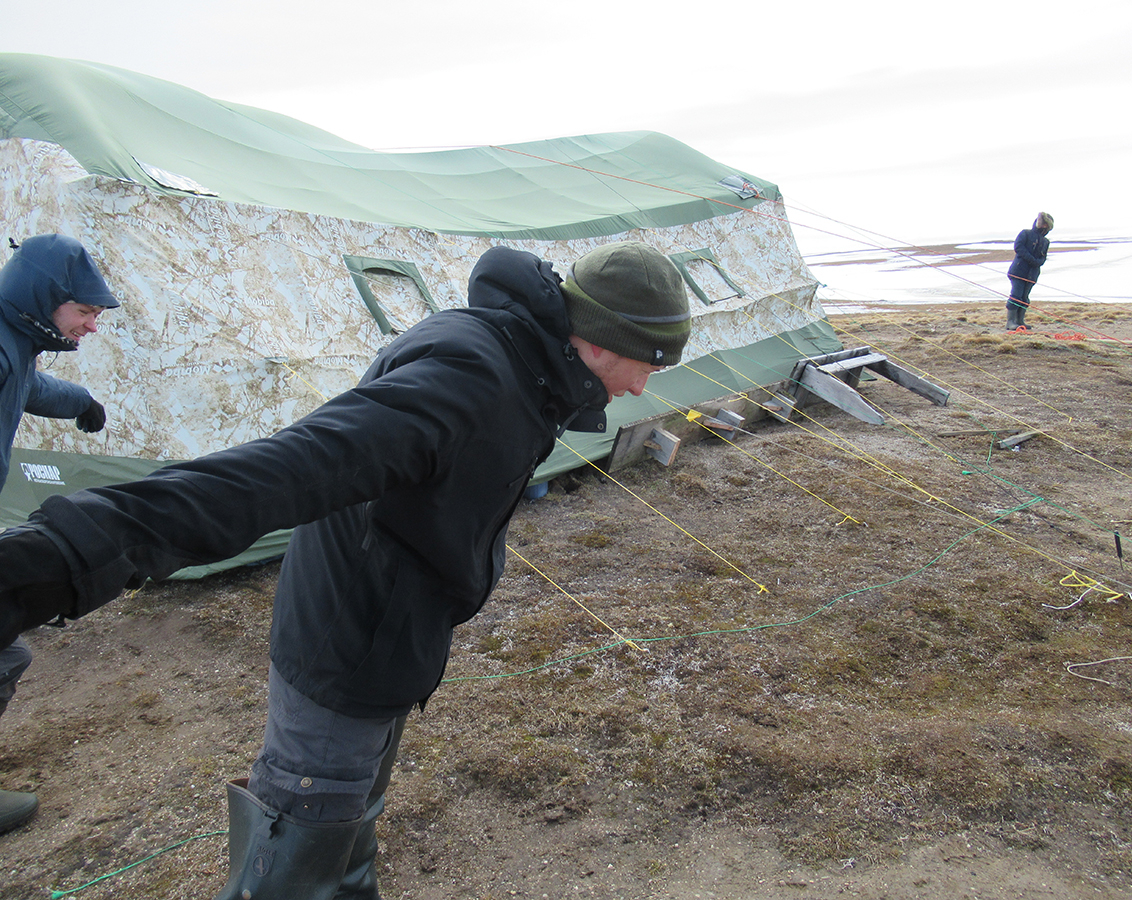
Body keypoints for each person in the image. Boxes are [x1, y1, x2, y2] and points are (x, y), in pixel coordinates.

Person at [0, 240, 691, 898]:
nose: (644, 385)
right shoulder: (474, 378)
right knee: (297, 860)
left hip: (397, 641)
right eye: (650, 365)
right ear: (599, 341)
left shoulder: (534, 366)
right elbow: (292, 469)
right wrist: (69, 552)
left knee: (348, 836)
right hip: (347, 648)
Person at [0, 234, 118, 835]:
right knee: (5, 654)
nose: (91, 326)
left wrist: (81, 402)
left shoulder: (13, 344)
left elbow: (27, 386)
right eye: (84, 313)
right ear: (43, 298)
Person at [1005, 212, 1054, 331]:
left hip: (1032, 274)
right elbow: (1018, 248)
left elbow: (1043, 258)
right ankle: (1010, 322)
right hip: (1018, 271)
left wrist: (1038, 262)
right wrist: (1032, 260)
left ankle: (1020, 321)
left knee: (1025, 297)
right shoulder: (1025, 233)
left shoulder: (1045, 241)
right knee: (1016, 295)